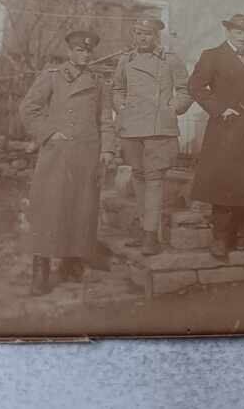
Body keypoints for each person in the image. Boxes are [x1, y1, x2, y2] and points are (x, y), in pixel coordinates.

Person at [19, 30, 116, 296]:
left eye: (88, 51)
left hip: (87, 155)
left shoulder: (98, 82)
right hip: (57, 154)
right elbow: (29, 109)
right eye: (79, 50)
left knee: (81, 210)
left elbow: (106, 119)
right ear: (69, 51)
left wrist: (107, 149)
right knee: (48, 209)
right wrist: (50, 133)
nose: (84, 55)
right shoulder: (52, 77)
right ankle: (40, 269)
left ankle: (71, 263)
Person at [188, 14, 244, 260]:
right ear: (228, 31)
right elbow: (195, 86)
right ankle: (221, 238)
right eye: (238, 31)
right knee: (224, 183)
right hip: (226, 129)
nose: (242, 35)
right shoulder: (212, 56)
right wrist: (219, 109)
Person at [112, 17, 193, 255]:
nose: (141, 38)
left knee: (154, 179)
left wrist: (174, 109)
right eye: (137, 33)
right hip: (133, 126)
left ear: (156, 36)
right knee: (138, 176)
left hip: (159, 127)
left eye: (147, 33)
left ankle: (150, 235)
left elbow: (186, 90)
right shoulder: (126, 60)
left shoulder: (170, 60)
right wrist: (122, 108)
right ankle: (143, 226)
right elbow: (117, 89)